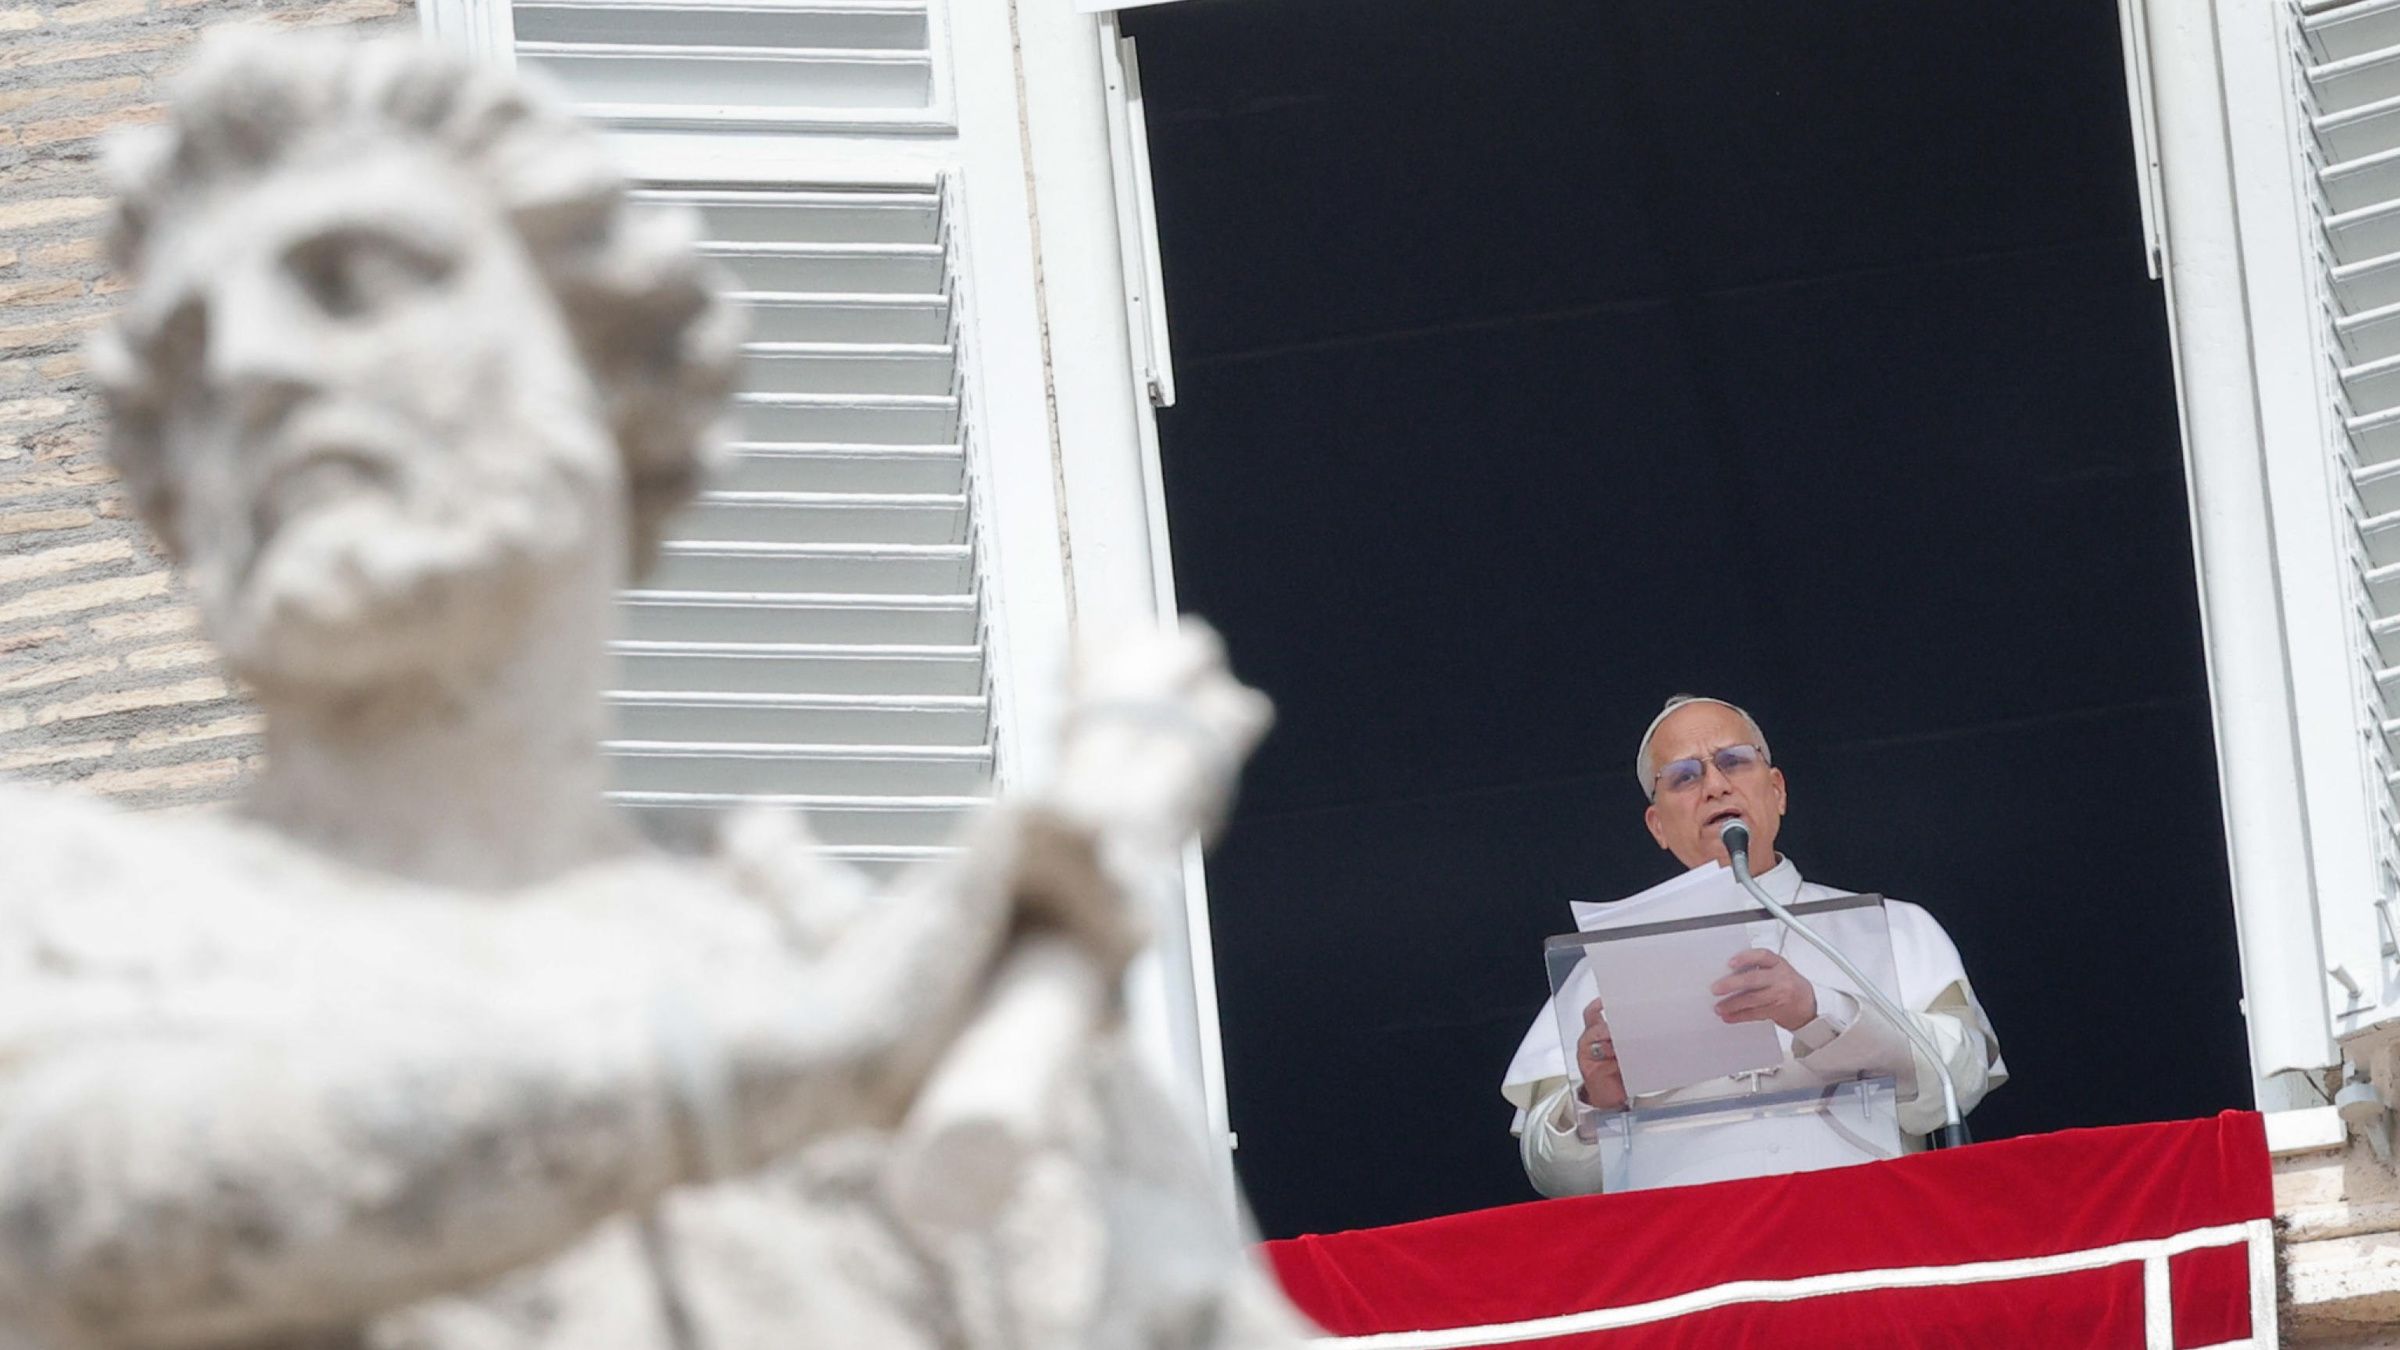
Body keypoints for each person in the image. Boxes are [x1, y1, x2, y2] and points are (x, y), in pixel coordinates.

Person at [0, 31, 1307, 1349]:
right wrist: (788, 1062)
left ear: (607, 374)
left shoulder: (989, 1065)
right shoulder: (56, 911)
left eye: (350, 281)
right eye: (183, 355)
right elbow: (48, 1206)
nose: (247, 368)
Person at [1502, 695, 2006, 1196]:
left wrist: (1820, 1013)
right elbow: (1558, 1180)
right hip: (1692, 1251)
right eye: (1684, 776)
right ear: (1658, 825)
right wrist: (1596, 1100)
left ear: (1777, 791)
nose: (1715, 786)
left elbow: (1955, 1086)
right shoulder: (1601, 969)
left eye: (1734, 762)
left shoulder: (1893, 926)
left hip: (1860, 1227)